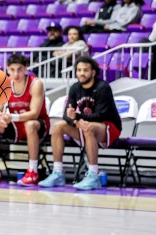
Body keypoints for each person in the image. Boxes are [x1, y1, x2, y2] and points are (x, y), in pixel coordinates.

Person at [39, 56, 122, 190]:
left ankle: (93, 175)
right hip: (85, 125)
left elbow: (101, 115)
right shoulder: (75, 88)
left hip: (109, 127)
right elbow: (67, 113)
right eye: (78, 70)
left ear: (93, 72)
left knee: (88, 127)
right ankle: (57, 173)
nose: (81, 73)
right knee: (58, 126)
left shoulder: (103, 87)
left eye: (85, 70)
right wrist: (75, 121)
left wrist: (77, 117)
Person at [0, 54, 50, 185]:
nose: (16, 73)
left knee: (30, 124)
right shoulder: (5, 84)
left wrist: (11, 117)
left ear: (26, 69)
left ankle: (33, 170)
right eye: (12, 70)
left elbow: (35, 113)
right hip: (16, 125)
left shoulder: (36, 83)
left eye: (20, 69)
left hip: (38, 125)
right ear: (7, 69)